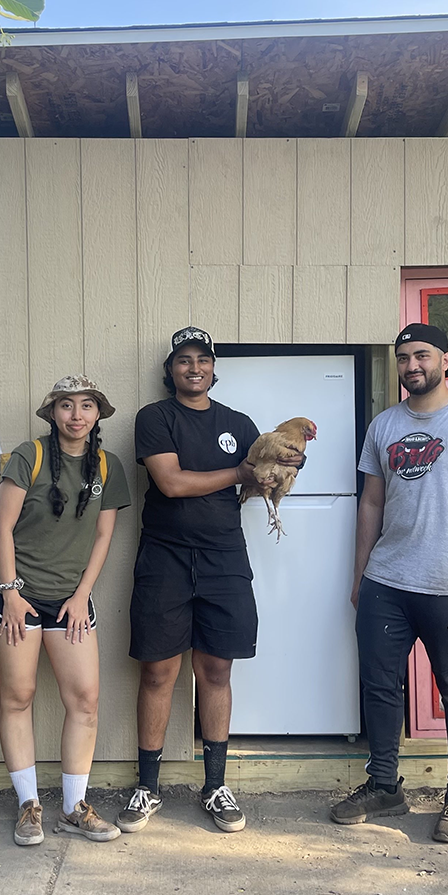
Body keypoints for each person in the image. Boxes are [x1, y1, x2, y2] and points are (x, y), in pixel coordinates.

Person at [116, 327, 301, 834]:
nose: (193, 367)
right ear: (171, 370)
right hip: (164, 558)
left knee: (217, 670)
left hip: (224, 558)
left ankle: (215, 786)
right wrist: (239, 474)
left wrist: (277, 469)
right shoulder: (156, 418)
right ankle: (147, 788)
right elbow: (171, 483)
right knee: (157, 672)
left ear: (214, 368)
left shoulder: (238, 423)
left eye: (202, 359)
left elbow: (260, 474)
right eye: (183, 360)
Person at [330, 323, 448, 842]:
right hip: (388, 579)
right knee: (380, 687)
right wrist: (360, 574)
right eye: (404, 358)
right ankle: (384, 785)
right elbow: (371, 504)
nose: (412, 366)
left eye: (422, 355)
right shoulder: (384, 426)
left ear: (446, 360)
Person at [0, 376, 130, 846]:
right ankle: (29, 806)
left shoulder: (108, 465)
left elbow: (104, 536)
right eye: (66, 406)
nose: (76, 415)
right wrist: (9, 593)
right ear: (53, 413)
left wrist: (80, 595)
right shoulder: (31, 455)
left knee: (84, 699)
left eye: (87, 406)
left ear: (97, 415)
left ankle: (73, 806)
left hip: (70, 598)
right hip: (17, 595)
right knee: (18, 695)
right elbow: (2, 528)